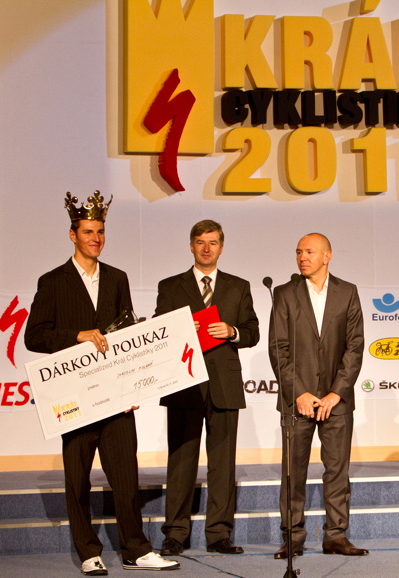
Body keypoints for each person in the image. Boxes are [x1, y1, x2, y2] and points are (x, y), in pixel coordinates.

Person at [24, 191, 178, 575]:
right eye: (88, 232)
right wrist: (76, 336)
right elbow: (34, 336)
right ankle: (88, 552)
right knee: (78, 480)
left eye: (100, 232)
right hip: (76, 399)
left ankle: (135, 550)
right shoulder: (53, 281)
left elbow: (127, 335)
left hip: (116, 396)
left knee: (126, 478)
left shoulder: (116, 278)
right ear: (72, 235)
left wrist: (135, 386)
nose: (96, 238)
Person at [155, 220, 259, 556]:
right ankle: (175, 533)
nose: (206, 248)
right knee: (181, 463)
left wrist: (232, 331)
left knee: (223, 464)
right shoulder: (171, 286)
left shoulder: (238, 286)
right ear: (191, 246)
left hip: (224, 385)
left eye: (212, 242)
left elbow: (252, 331)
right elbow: (159, 331)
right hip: (184, 383)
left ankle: (219, 534)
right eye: (200, 242)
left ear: (221, 247)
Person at [268, 233, 367, 559]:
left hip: (336, 402)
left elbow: (355, 346)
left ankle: (336, 536)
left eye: (309, 251)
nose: (302, 257)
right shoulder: (284, 293)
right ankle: (293, 537)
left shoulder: (347, 292)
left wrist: (337, 393)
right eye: (299, 252)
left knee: (337, 471)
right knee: (293, 472)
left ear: (327, 256)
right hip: (298, 402)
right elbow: (278, 349)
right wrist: (299, 392)